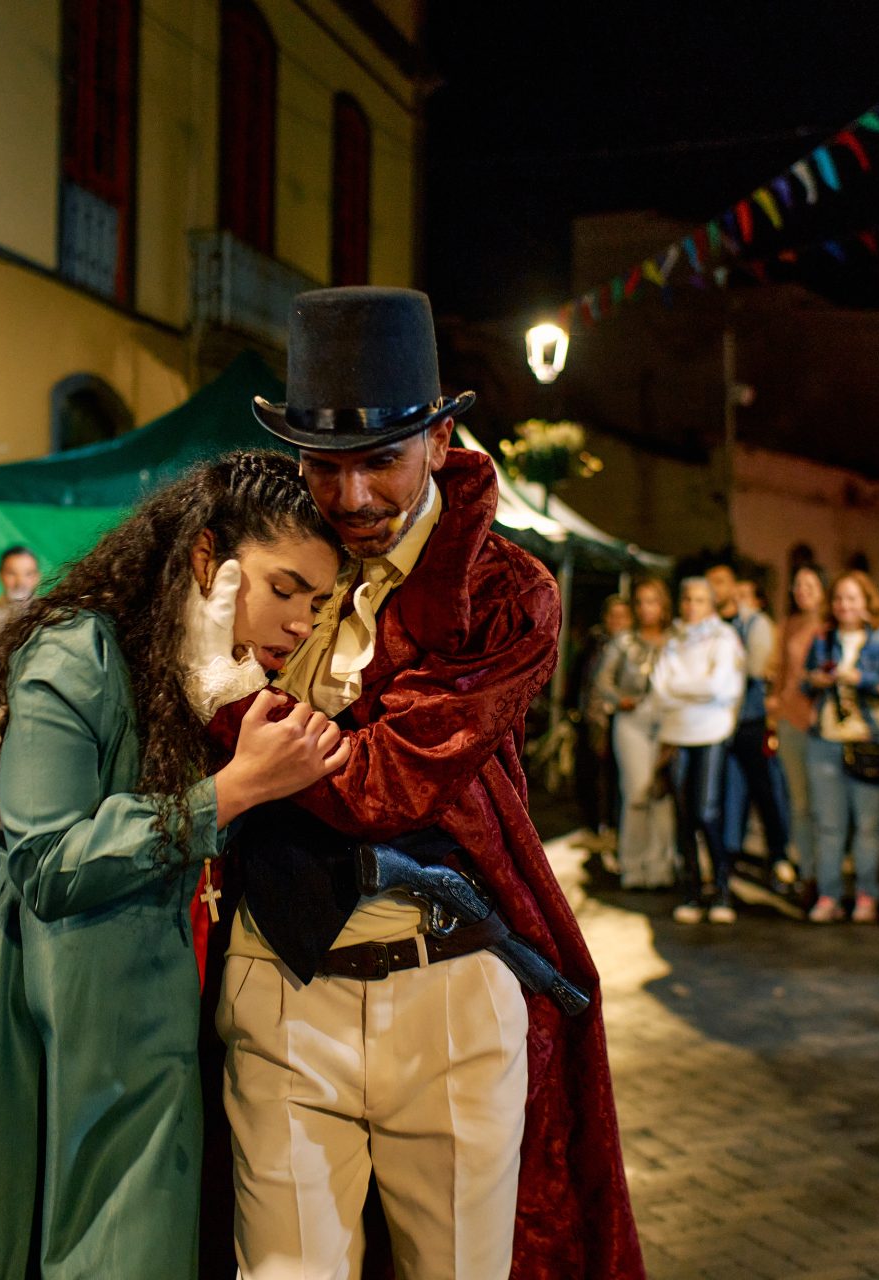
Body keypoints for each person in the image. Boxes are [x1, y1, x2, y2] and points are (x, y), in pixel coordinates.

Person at [204, 287, 642, 1278]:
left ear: (440, 441)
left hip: (446, 989)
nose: (352, 496)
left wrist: (227, 696)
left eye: (380, 461)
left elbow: (382, 786)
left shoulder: (506, 594)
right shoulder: (268, 551)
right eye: (326, 465)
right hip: (279, 982)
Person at [0, 452, 349, 1280]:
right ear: (203, 561)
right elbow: (48, 861)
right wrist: (231, 790)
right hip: (25, 994)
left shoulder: (207, 672)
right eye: (284, 588)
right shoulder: (83, 650)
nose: (300, 621)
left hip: (139, 1004)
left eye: (318, 601)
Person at [803, 570, 879, 924]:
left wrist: (862, 679)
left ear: (866, 603)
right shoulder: (822, 640)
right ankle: (829, 895)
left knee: (868, 825)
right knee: (829, 825)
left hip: (867, 741)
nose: (845, 605)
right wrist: (815, 679)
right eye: (840, 598)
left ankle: (865, 895)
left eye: (852, 598)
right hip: (826, 740)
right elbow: (805, 682)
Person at [651, 577, 746, 924]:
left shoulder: (724, 639)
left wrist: (683, 689)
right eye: (687, 598)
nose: (692, 605)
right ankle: (691, 891)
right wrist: (695, 689)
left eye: (701, 599)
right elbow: (660, 689)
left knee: (706, 812)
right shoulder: (672, 640)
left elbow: (720, 687)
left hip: (711, 733)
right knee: (684, 815)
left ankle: (721, 888)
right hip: (677, 732)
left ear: (712, 604)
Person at [707, 563, 792, 886]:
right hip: (719, 722)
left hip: (748, 720)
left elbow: (756, 668)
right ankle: (727, 854)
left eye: (742, 592)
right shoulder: (713, 624)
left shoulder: (754, 624)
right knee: (728, 790)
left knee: (762, 788)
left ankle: (778, 852)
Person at [603, 579, 676, 889]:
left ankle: (661, 865)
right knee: (636, 792)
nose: (647, 609)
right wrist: (620, 699)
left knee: (662, 795)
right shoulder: (624, 641)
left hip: (668, 722)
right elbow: (603, 681)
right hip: (632, 720)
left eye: (653, 602)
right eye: (642, 602)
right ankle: (633, 864)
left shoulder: (677, 640)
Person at [769, 563, 827, 895]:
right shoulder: (789, 625)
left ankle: (829, 870)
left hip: (824, 724)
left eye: (809, 584)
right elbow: (778, 671)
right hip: (792, 720)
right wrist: (774, 705)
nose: (802, 590)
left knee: (825, 803)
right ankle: (808, 872)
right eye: (798, 585)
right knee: (800, 801)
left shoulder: (831, 626)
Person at [576, 595, 632, 873]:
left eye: (622, 616)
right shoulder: (595, 642)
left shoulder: (632, 647)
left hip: (622, 722)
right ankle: (599, 828)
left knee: (614, 779)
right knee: (590, 776)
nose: (616, 622)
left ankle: (615, 834)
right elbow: (584, 678)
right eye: (612, 615)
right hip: (594, 719)